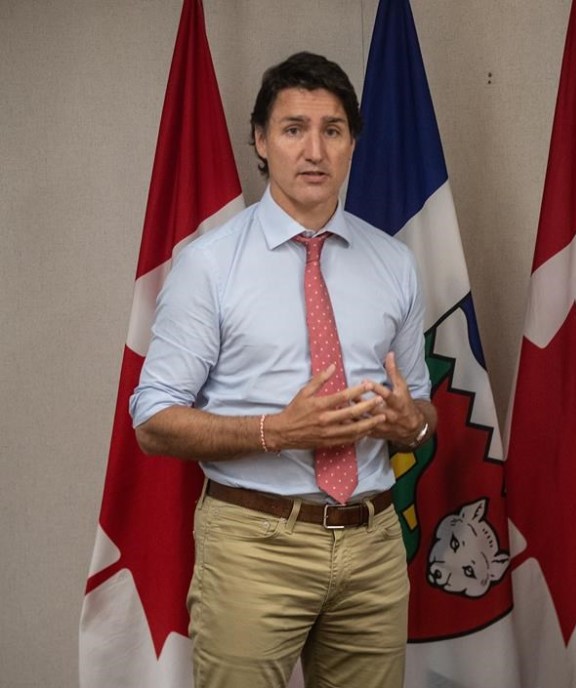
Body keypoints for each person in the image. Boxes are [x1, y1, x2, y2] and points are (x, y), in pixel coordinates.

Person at [130, 52, 436, 688]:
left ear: (352, 144)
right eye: (294, 129)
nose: (314, 150)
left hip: (373, 544)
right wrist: (278, 431)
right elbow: (152, 421)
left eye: (333, 130)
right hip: (254, 543)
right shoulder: (209, 265)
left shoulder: (394, 263)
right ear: (261, 142)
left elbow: (423, 411)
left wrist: (411, 423)